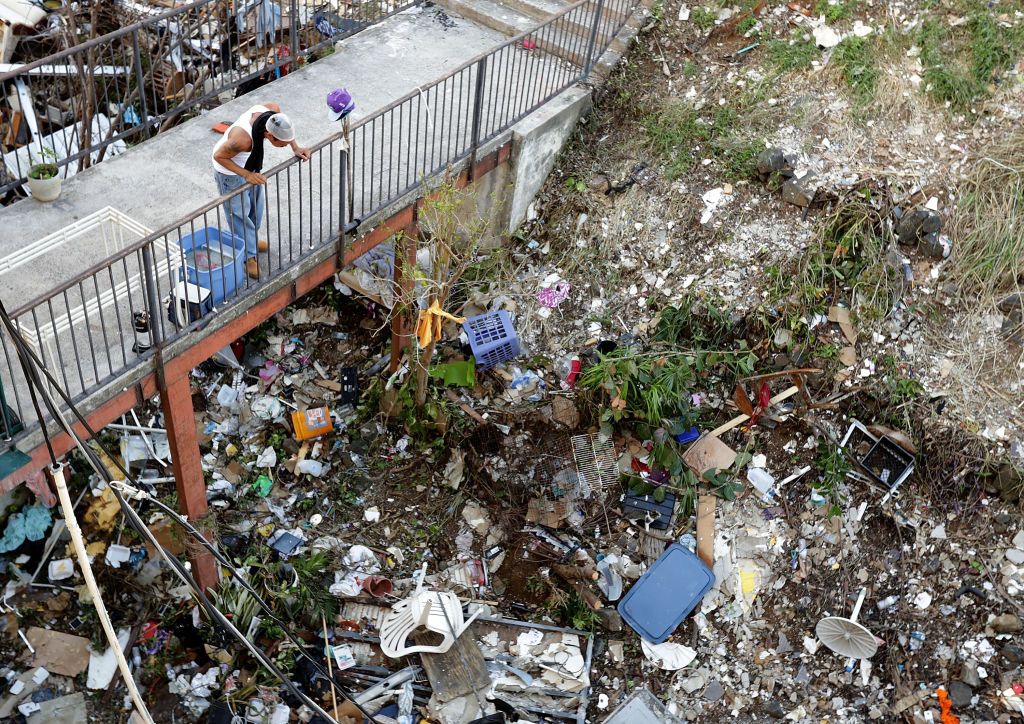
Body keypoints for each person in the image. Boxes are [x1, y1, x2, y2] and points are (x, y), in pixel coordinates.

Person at [212, 102, 310, 278]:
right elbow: (218, 156)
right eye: (282, 144)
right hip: (229, 171)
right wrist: (245, 175)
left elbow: (285, 129)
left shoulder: (272, 112)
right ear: (269, 135)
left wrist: (295, 147)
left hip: (249, 165)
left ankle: (251, 241)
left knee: (255, 208)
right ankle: (248, 257)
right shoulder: (243, 140)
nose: (284, 146)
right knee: (240, 215)